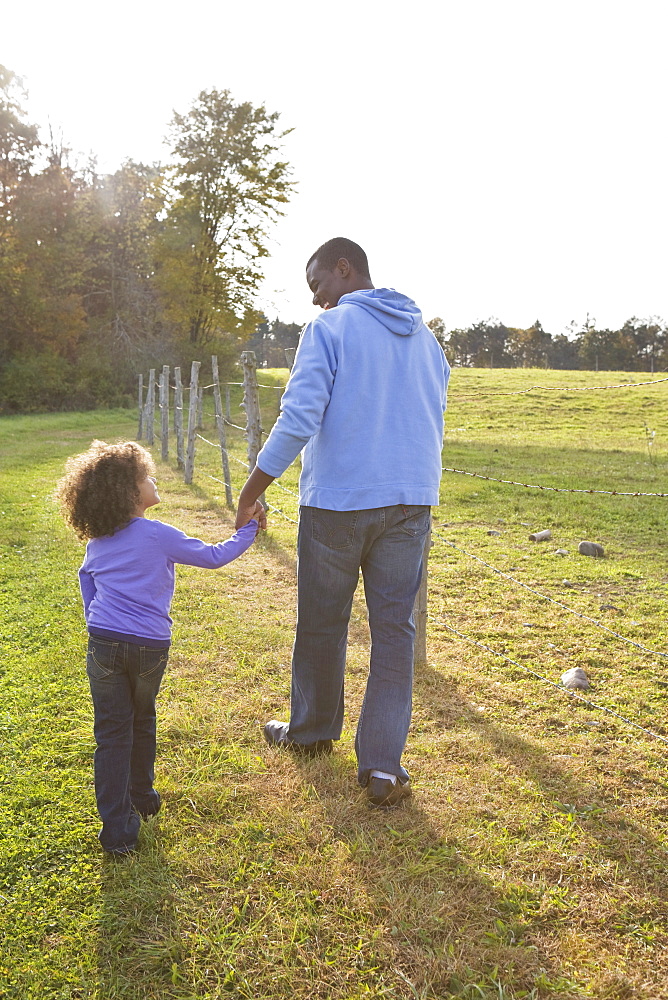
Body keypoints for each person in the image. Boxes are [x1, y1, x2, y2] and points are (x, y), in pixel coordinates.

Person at [236, 237, 449, 808]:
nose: (316, 301)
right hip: (409, 501)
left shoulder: (328, 333)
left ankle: (309, 733)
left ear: (343, 268)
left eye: (318, 286)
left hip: (338, 503)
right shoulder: (427, 340)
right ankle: (383, 767)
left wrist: (252, 490)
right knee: (395, 634)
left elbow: (300, 415)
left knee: (323, 624)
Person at [56, 440, 265, 856]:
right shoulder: (158, 535)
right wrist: (249, 530)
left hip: (103, 643)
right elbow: (213, 557)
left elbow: (87, 584)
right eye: (146, 477)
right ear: (131, 493)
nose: (153, 480)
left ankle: (117, 832)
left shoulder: (97, 542)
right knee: (142, 717)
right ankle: (143, 796)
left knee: (111, 733)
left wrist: (96, 625)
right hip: (149, 647)